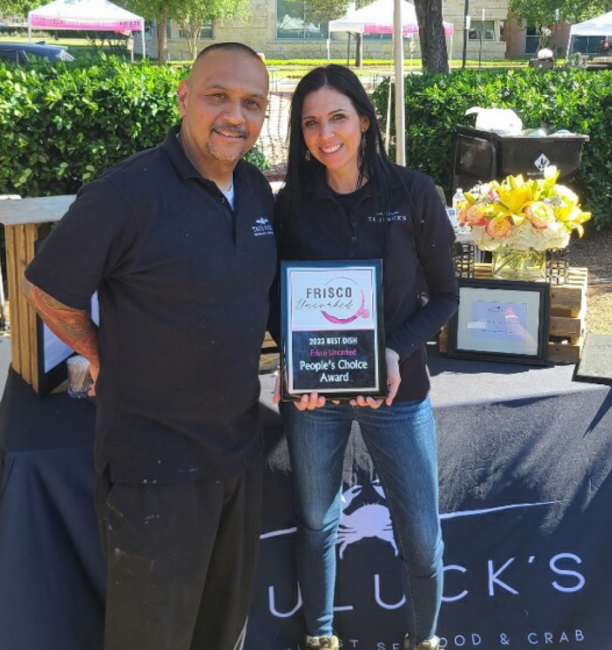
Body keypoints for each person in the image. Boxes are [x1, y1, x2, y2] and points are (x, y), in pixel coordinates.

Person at [21, 42, 275, 650]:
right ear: (184, 96)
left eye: (252, 103)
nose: (235, 115)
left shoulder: (258, 190)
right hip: (153, 466)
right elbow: (47, 290)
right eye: (218, 96)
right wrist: (101, 351)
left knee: (223, 632)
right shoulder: (125, 192)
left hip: (239, 455)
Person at [273, 65, 459, 650]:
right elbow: (272, 299)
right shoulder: (290, 205)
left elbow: (447, 296)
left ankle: (422, 640)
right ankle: (320, 638)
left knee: (422, 539)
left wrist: (394, 349)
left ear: (365, 121)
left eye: (337, 118)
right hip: (315, 396)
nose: (325, 134)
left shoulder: (413, 193)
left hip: (400, 395)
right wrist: (290, 358)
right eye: (310, 122)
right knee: (315, 523)